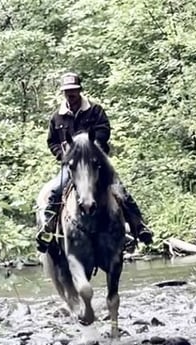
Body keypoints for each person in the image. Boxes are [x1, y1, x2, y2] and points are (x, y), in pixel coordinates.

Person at [35, 72, 154, 253]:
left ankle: (139, 226)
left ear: (79, 90)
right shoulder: (57, 117)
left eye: (73, 90)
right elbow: (52, 142)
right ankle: (48, 229)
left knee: (120, 190)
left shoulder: (95, 110)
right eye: (67, 91)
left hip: (96, 165)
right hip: (72, 166)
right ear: (63, 93)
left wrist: (90, 149)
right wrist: (63, 155)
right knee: (56, 191)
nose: (71, 94)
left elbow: (104, 131)